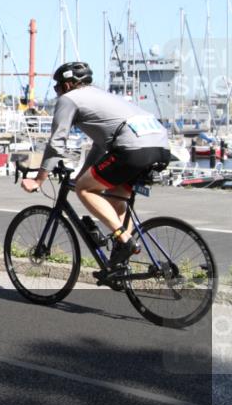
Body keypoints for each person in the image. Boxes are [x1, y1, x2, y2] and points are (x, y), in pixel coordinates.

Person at [20, 62, 170, 270]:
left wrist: (39, 179)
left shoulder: (69, 99)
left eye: (57, 87)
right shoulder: (101, 96)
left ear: (67, 85)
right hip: (161, 147)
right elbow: (100, 145)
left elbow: (56, 142)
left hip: (133, 149)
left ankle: (125, 240)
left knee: (84, 189)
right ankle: (121, 265)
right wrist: (82, 173)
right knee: (115, 198)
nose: (57, 92)